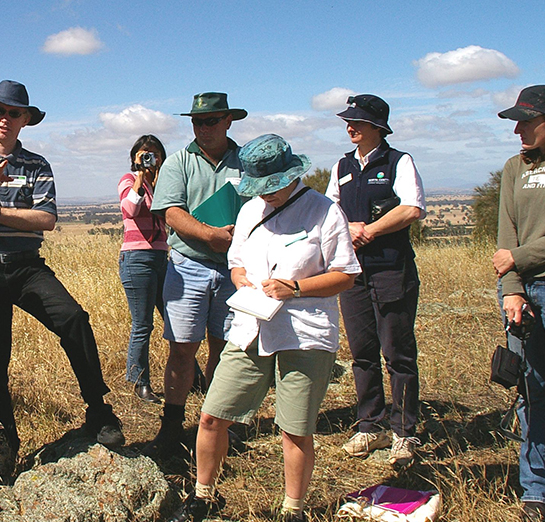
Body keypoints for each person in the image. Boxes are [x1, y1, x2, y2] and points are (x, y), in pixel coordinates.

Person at [168, 134, 360, 522]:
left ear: (292, 174)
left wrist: (296, 288)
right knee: (211, 416)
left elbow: (346, 275)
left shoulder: (324, 211)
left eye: (273, 186)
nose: (267, 195)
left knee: (295, 429)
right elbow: (236, 261)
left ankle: (293, 510)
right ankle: (203, 496)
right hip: (250, 327)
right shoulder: (249, 211)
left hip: (304, 333)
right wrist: (240, 279)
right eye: (261, 188)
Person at [0, 80, 124, 482]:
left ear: (26, 119)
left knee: (74, 318)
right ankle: (5, 451)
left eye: (13, 113)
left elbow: (46, 219)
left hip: (27, 266)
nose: (3, 119)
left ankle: (98, 410)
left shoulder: (37, 165)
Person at [324, 94, 426, 468]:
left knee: (397, 352)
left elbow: (412, 207)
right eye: (348, 122)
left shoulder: (399, 161)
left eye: (359, 123)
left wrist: (369, 231)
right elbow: (329, 208)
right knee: (362, 351)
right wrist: (346, 228)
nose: (350, 127)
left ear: (378, 127)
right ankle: (370, 423)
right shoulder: (342, 165)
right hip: (352, 273)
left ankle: (404, 431)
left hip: (391, 268)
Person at [145, 92, 246, 457]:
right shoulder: (178, 163)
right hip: (189, 267)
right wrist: (210, 236)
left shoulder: (246, 162)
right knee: (182, 349)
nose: (203, 128)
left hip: (236, 270)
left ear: (228, 121)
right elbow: (171, 212)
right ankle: (171, 428)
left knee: (225, 348)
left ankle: (216, 425)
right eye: (197, 121)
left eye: (211, 120)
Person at [493, 85, 545, 522]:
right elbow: (505, 233)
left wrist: (519, 258)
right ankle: (535, 490)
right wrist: (511, 285)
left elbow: (516, 249)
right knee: (531, 389)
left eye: (526, 120)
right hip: (525, 292)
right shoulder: (515, 167)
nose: (517, 130)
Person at [118, 135, 169, 403]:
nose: (149, 158)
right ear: (134, 157)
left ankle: (191, 374)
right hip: (137, 258)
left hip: (162, 257)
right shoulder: (128, 181)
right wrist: (139, 175)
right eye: (144, 153)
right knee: (142, 324)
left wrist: (159, 179)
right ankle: (140, 382)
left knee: (176, 319)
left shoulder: (162, 184)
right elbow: (130, 209)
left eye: (154, 154)